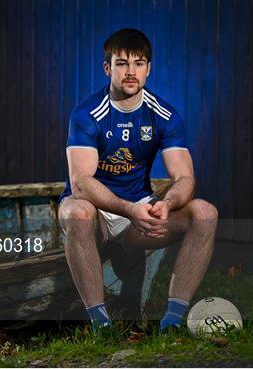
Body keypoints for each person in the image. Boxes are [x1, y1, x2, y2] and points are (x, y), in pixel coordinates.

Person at [57, 28, 218, 332]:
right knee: (76, 212)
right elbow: (80, 183)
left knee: (205, 213)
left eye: (139, 63)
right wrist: (128, 209)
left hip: (138, 213)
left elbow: (184, 177)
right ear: (108, 68)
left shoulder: (165, 115)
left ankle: (171, 320)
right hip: (96, 213)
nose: (131, 72)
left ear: (148, 68)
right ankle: (100, 324)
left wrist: (167, 204)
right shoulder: (87, 114)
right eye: (122, 63)